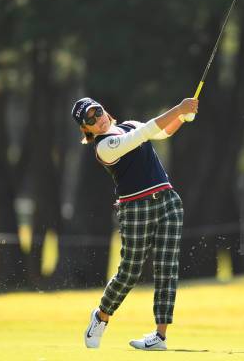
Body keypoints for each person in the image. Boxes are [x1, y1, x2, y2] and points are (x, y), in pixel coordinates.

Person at [71, 96, 199, 351]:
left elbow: (161, 132)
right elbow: (144, 133)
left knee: (167, 266)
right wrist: (178, 109)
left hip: (167, 200)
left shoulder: (128, 125)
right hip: (135, 207)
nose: (98, 119)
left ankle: (159, 336)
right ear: (86, 129)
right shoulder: (103, 147)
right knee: (130, 271)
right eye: (90, 120)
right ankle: (101, 317)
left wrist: (183, 117)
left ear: (104, 109)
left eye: (97, 112)